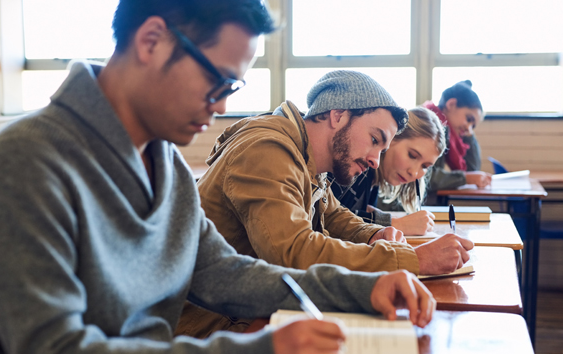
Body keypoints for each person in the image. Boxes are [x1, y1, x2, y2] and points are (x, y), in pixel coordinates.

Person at [0, 1, 437, 354]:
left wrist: (364, 287)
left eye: (231, 88)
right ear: (152, 40)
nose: (220, 106)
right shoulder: (26, 162)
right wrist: (260, 348)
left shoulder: (166, 164)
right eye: (216, 81)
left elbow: (222, 273)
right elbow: (54, 347)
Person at [179, 70, 473, 338]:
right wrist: (413, 260)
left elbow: (335, 217)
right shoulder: (267, 149)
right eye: (374, 139)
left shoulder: (309, 159)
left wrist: (374, 234)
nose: (375, 161)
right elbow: (294, 250)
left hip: (251, 311)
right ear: (338, 115)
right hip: (212, 327)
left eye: (383, 149)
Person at [330, 107, 446, 236]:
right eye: (412, 155)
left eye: (425, 166)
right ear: (392, 138)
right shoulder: (359, 166)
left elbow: (348, 213)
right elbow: (328, 220)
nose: (414, 173)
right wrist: (397, 224)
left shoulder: (374, 180)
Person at [422, 80, 492, 201]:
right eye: (469, 119)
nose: (468, 127)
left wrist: (469, 136)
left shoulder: (451, 136)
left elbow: (472, 170)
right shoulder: (429, 126)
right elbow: (425, 176)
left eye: (473, 126)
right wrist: (465, 178)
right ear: (451, 104)